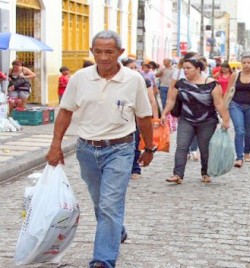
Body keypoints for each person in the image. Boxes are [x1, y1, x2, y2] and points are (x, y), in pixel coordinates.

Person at [45, 30, 154, 268]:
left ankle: (103, 259)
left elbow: (144, 116)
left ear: (120, 53)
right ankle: (117, 231)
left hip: (121, 148)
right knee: (99, 202)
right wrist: (56, 145)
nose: (103, 57)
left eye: (109, 52)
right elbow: (65, 111)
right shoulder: (79, 78)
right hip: (86, 149)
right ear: (92, 51)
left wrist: (149, 148)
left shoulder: (133, 79)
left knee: (109, 204)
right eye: (98, 51)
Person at [160, 57, 230, 184]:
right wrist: (164, 113)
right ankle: (178, 174)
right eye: (184, 68)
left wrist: (226, 120)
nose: (185, 71)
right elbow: (171, 100)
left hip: (207, 121)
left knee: (204, 148)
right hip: (186, 119)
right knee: (182, 146)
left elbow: (219, 104)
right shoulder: (180, 84)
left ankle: (205, 172)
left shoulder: (211, 84)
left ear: (198, 69)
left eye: (188, 68)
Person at [121, 58, 159, 180]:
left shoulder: (144, 81)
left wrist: (156, 118)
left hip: (139, 117)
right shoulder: (118, 82)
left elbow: (152, 100)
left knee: (135, 142)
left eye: (135, 68)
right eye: (130, 68)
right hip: (123, 117)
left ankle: (135, 168)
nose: (133, 70)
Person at [226, 55, 250, 168]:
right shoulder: (235, 75)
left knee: (248, 131)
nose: (246, 65)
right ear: (241, 64)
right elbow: (229, 91)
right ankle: (239, 157)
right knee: (239, 130)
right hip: (235, 105)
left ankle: (247, 151)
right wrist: (223, 107)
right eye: (244, 62)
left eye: (249, 62)